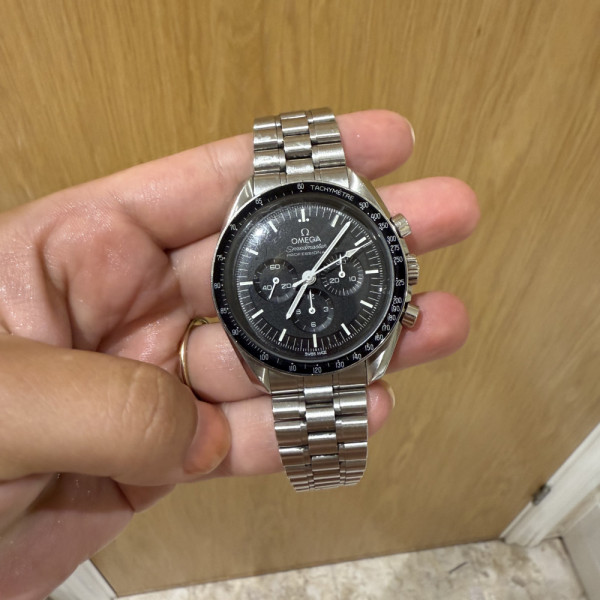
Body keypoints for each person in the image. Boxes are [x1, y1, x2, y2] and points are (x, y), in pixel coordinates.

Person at [0, 110, 479, 598]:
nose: (307, 278)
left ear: (399, 265)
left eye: (317, 274)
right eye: (300, 276)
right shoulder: (245, 269)